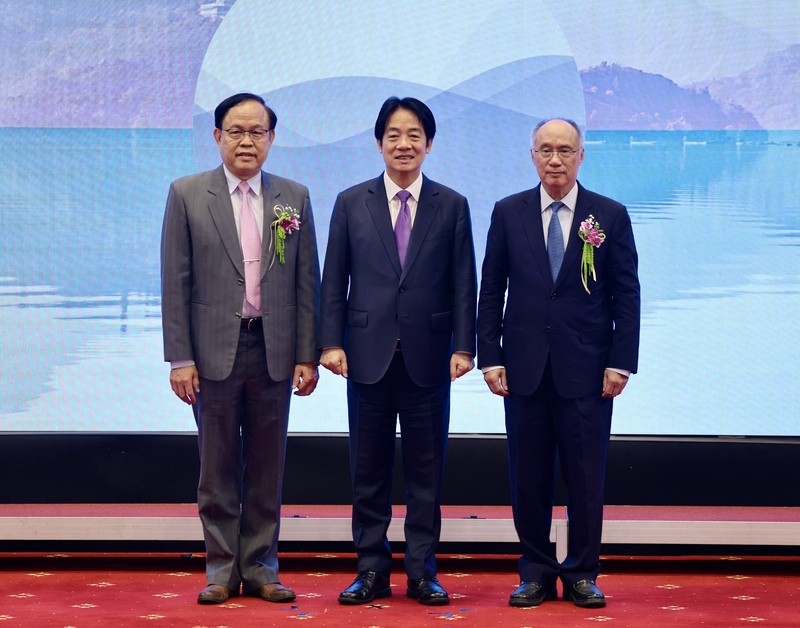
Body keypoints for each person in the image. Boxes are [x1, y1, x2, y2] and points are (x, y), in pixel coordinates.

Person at [160, 92, 320, 605]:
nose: (247, 140)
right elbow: (175, 282)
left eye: (257, 131)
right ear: (217, 137)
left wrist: (306, 354)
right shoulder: (186, 194)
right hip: (211, 354)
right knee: (217, 466)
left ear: (272, 139)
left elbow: (305, 285)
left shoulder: (293, 197)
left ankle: (261, 567)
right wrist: (180, 358)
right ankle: (221, 569)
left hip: (273, 351)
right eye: (236, 131)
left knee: (268, 467)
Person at [319, 97, 477, 606]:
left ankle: (422, 572)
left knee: (426, 474)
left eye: (414, 135)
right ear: (379, 142)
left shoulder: (451, 205)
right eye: (393, 134)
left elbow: (462, 285)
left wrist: (465, 347)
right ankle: (370, 571)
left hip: (430, 358)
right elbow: (332, 281)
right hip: (365, 356)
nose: (403, 144)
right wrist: (330, 342)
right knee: (367, 471)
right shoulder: (350, 201)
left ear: (429, 144)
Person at [477, 118, 640, 609]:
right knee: (527, 479)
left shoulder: (608, 215)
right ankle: (535, 572)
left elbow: (626, 295)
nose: (555, 159)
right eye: (546, 150)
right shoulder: (508, 212)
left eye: (565, 150)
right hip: (524, 369)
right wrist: (491, 357)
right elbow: (491, 289)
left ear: (581, 156)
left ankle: (582, 574)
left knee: (586, 479)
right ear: (532, 155)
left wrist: (621, 363)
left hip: (588, 372)